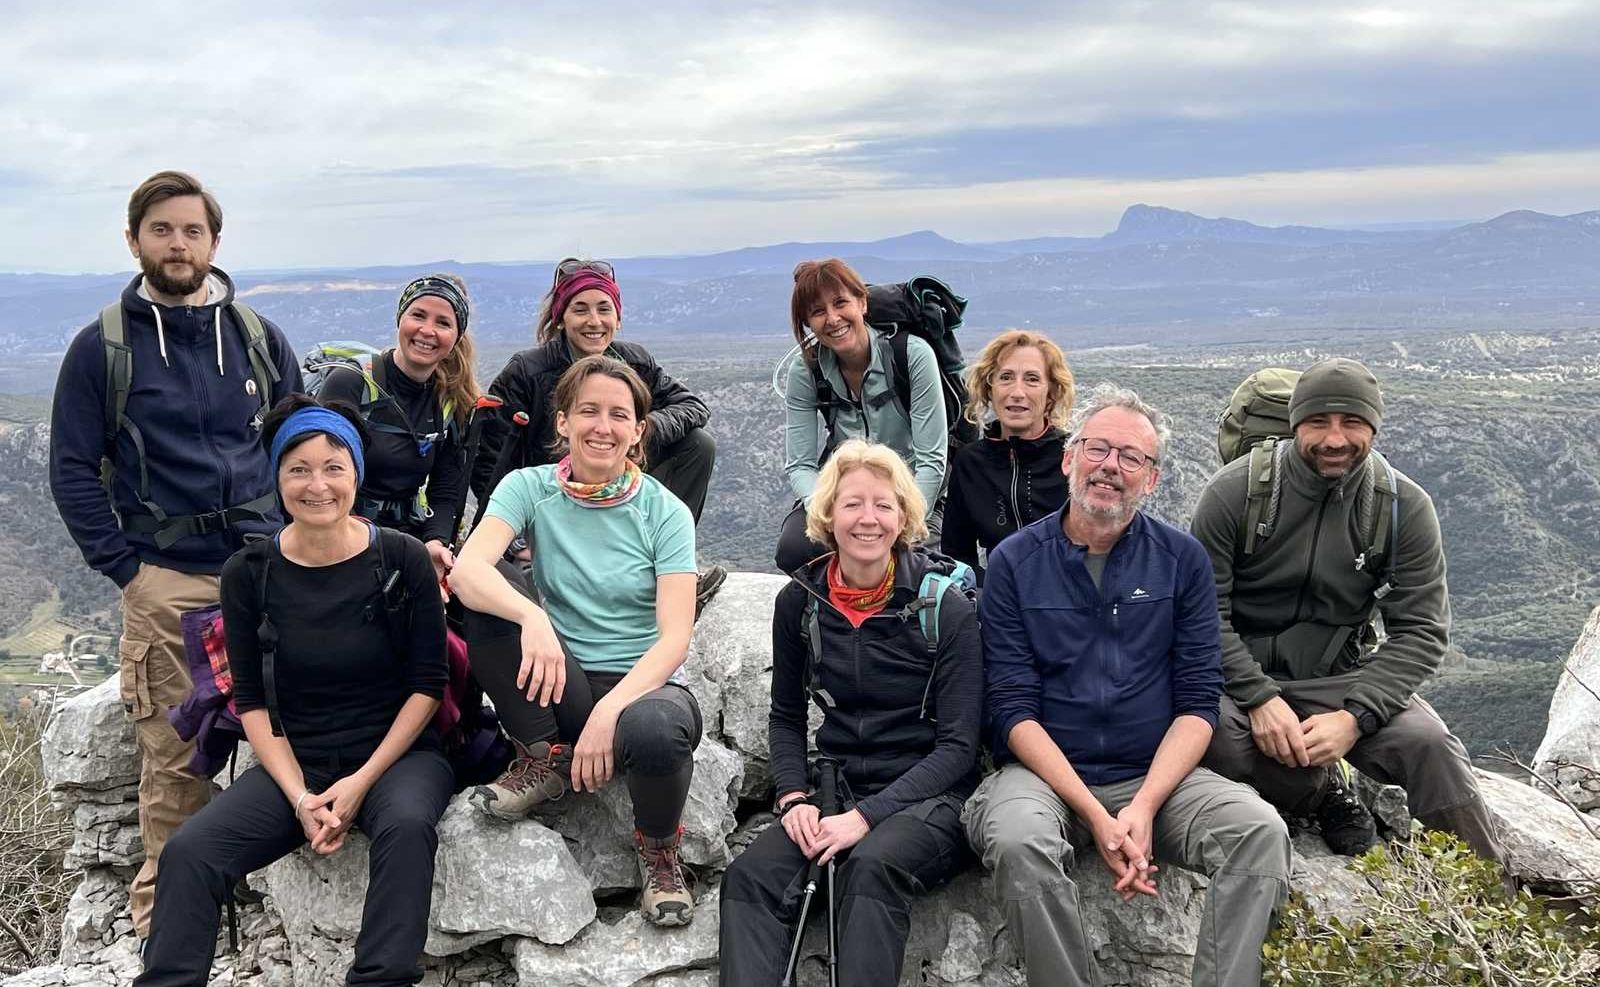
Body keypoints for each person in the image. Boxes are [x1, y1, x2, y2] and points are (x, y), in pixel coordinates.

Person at [964, 384, 1290, 987]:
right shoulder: (1013, 562)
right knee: (1017, 843)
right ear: (1068, 458)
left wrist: (1140, 809)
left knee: (1260, 833)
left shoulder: (1182, 561)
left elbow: (1197, 705)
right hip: (1043, 778)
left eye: (1131, 457)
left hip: (1154, 776)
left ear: (1152, 479)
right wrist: (1095, 815)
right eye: (1097, 449)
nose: (1110, 466)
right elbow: (1011, 710)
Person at [47, 170, 303, 939]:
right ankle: (171, 922)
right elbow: (71, 468)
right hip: (170, 578)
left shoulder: (255, 336)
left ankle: (283, 890)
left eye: (192, 230)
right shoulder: (103, 348)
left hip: (267, 569)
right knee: (177, 751)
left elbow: (295, 436)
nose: (178, 244)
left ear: (215, 243)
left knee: (301, 718)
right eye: (162, 229)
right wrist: (129, 571)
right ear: (135, 241)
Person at [135, 397, 453, 987]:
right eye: (298, 469)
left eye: (334, 467)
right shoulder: (249, 573)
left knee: (407, 826)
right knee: (191, 852)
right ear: (277, 477)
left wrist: (359, 784)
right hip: (296, 759)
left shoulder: (400, 558)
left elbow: (427, 686)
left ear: (356, 474)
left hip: (399, 755)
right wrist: (301, 797)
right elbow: (251, 700)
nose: (317, 485)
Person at [1191, 358, 1506, 863]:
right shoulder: (1236, 493)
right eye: (1318, 422)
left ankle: (1493, 894)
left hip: (1340, 674)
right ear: (1295, 424)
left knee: (1429, 745)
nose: (1335, 439)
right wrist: (1258, 697)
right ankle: (1320, 791)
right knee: (1214, 739)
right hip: (1240, 675)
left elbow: (1421, 629)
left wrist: (1355, 718)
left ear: (1374, 427)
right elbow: (1203, 613)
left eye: (1352, 423)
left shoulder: (1402, 506)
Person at [450, 355, 703, 927]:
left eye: (619, 415)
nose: (602, 426)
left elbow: (674, 638)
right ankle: (547, 759)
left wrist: (609, 714)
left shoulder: (665, 513)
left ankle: (660, 851)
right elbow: (467, 571)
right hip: (560, 679)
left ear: (639, 430)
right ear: (561, 421)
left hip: (641, 686)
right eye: (588, 411)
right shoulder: (529, 488)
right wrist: (532, 618)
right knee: (490, 600)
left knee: (656, 729)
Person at [720, 440, 981, 986]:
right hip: (837, 787)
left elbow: (958, 748)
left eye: (884, 505)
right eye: (852, 504)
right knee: (750, 878)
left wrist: (865, 819)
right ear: (828, 516)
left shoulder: (944, 609)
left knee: (869, 869)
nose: (869, 519)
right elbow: (787, 716)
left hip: (929, 796)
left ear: (905, 516)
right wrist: (793, 797)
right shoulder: (800, 602)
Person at [471, 258, 724, 607]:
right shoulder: (527, 372)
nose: (594, 321)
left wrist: (641, 431)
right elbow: (487, 462)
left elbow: (693, 406)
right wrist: (516, 536)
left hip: (617, 489)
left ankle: (662, 566)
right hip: (553, 507)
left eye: (604, 309)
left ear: (617, 317)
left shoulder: (634, 362)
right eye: (580, 309)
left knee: (698, 446)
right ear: (561, 317)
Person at [776, 258, 949, 572]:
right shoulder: (807, 370)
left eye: (841, 303)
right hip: (846, 496)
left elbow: (931, 462)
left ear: (862, 303)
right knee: (794, 551)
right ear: (807, 323)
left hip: (910, 492)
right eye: (817, 312)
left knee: (912, 564)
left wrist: (902, 520)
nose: (832, 319)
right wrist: (826, 513)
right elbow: (800, 464)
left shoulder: (910, 355)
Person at [319, 273, 480, 576]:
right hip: (339, 535)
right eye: (418, 315)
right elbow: (321, 474)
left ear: (456, 337)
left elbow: (445, 490)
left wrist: (436, 541)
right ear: (400, 319)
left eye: (443, 323)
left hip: (407, 535)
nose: (427, 330)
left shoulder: (448, 403)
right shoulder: (351, 384)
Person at [942, 329, 1074, 580]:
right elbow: (957, 555)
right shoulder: (971, 462)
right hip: (999, 601)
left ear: (1051, 394)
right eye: (1006, 378)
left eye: (1032, 379)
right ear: (989, 389)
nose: (1017, 392)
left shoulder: (1073, 457)